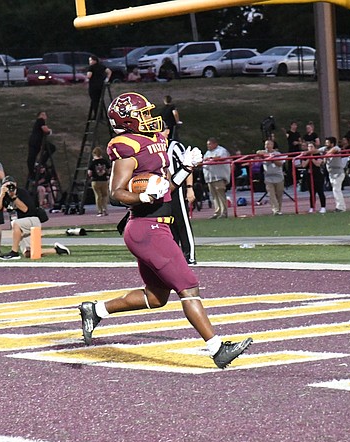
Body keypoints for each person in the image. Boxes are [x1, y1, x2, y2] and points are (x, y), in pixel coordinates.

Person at [77, 91, 252, 369]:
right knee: (189, 287)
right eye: (142, 114)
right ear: (127, 120)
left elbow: (167, 188)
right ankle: (217, 348)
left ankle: (95, 310)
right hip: (146, 228)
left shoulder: (155, 141)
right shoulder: (125, 146)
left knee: (156, 297)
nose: (149, 118)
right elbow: (115, 193)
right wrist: (142, 197)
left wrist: (185, 169)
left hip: (156, 227)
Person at [0, 176, 70, 260]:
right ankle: (57, 250)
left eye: (11, 185)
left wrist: (13, 197)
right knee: (29, 253)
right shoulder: (4, 196)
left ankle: (14, 252)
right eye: (6, 185)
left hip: (32, 220)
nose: (9, 187)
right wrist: (1, 194)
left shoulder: (22, 192)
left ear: (15, 184)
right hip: (20, 226)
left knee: (15, 223)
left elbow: (25, 209)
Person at [167, 140, 198, 264]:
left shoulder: (174, 146)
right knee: (168, 224)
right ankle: (174, 256)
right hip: (162, 189)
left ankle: (189, 255)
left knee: (182, 222)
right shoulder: (152, 145)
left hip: (177, 189)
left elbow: (188, 166)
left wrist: (190, 188)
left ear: (167, 131)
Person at [202, 137, 231, 219]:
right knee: (214, 196)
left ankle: (224, 212)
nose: (208, 146)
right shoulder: (207, 152)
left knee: (221, 194)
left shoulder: (221, 150)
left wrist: (211, 159)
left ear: (215, 144)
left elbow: (221, 158)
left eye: (210, 144)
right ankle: (217, 212)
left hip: (219, 177)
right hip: (210, 177)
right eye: (207, 144)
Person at [256, 139, 285, 215]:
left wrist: (272, 159)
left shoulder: (277, 153)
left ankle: (279, 209)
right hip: (268, 177)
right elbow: (257, 152)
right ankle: (275, 210)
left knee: (279, 195)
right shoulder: (264, 153)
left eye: (268, 144)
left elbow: (280, 164)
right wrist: (266, 155)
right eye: (265, 144)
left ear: (272, 145)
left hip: (278, 177)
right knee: (271, 195)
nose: (267, 146)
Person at [297, 141, 327, 213]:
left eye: (311, 147)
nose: (310, 148)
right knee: (311, 193)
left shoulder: (318, 154)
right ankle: (312, 207)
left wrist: (312, 157)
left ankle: (323, 207)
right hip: (309, 175)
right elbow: (304, 165)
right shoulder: (305, 155)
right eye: (309, 147)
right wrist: (308, 157)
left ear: (314, 147)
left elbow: (317, 164)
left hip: (318, 175)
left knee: (320, 191)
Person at [27, 111, 52, 185]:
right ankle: (41, 162)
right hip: (37, 142)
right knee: (51, 148)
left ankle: (32, 174)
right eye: (43, 114)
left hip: (35, 142)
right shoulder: (40, 120)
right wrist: (49, 131)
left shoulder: (38, 123)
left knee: (31, 157)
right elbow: (46, 130)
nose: (45, 116)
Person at [323, 136, 348, 211]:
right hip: (331, 173)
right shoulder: (325, 149)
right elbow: (316, 151)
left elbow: (333, 150)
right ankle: (340, 206)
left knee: (336, 190)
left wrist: (325, 155)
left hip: (338, 173)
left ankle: (341, 207)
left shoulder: (336, 148)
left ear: (332, 143)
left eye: (327, 143)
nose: (326, 144)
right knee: (335, 190)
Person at [86, 55, 111, 120]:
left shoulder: (91, 67)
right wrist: (107, 79)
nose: (90, 62)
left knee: (94, 101)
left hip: (93, 86)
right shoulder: (102, 66)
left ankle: (96, 116)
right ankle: (101, 115)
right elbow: (109, 71)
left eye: (90, 60)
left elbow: (89, 76)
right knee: (100, 100)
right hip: (101, 85)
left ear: (94, 60)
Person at [88, 146, 111, 216]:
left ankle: (99, 211)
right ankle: (105, 209)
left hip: (95, 181)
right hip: (104, 180)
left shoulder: (92, 163)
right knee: (104, 195)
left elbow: (89, 172)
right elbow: (109, 169)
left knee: (98, 196)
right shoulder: (104, 161)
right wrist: (107, 174)